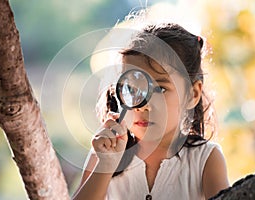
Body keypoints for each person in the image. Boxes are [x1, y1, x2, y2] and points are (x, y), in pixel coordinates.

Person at [73, 19, 229, 200]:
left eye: (161, 89)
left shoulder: (205, 159)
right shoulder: (103, 156)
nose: (144, 104)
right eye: (132, 89)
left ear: (192, 94)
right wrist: (106, 165)